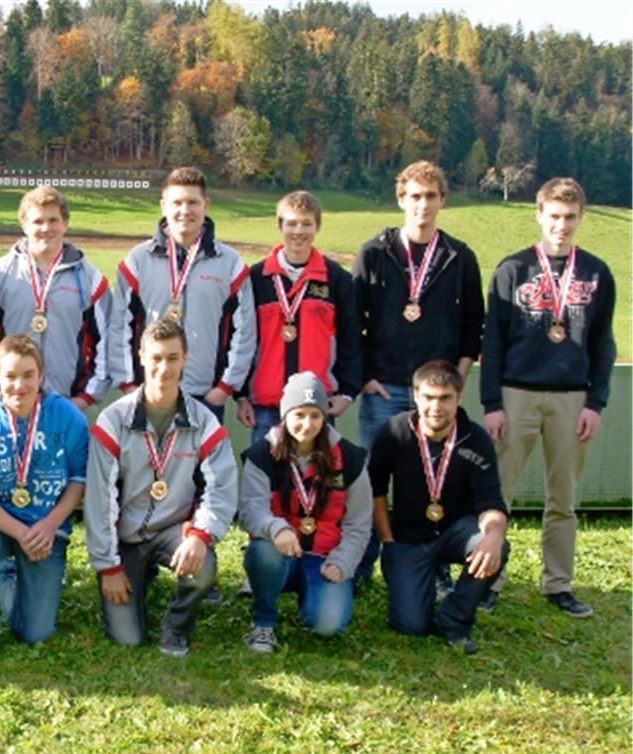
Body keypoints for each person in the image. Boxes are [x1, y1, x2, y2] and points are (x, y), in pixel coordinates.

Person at [480, 177, 616, 618]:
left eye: (570, 217)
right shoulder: (512, 270)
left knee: (564, 498)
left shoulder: (596, 274)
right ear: (539, 214)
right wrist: (492, 404)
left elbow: (602, 345)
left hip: (571, 399)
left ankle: (558, 583)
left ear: (581, 218)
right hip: (515, 393)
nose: (561, 225)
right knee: (499, 494)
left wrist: (596, 403)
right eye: (554, 216)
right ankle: (488, 579)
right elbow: (493, 343)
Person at [352, 160, 484, 589]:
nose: (422, 205)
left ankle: (439, 566)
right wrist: (365, 375)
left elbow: (472, 328)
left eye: (430, 196)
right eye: (414, 196)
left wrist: (457, 381)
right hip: (384, 387)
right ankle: (365, 562)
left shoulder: (460, 258)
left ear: (442, 201)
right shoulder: (374, 252)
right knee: (372, 480)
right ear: (400, 199)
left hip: (438, 395)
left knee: (438, 479)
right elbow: (352, 323)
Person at [85, 319, 238, 657]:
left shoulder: (204, 421)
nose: (163, 368)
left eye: (172, 358)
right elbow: (98, 502)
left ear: (185, 359)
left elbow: (221, 488)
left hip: (173, 530)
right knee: (127, 638)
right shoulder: (112, 421)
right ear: (140, 357)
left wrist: (200, 535)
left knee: (205, 566)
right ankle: (136, 572)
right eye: (155, 358)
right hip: (125, 538)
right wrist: (108, 567)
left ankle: (177, 626)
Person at [0, 334, 89, 661]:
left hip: (46, 530)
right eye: (10, 376)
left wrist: (51, 524)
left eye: (28, 375)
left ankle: (5, 575)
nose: (19, 385)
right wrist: (21, 533)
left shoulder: (68, 417)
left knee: (35, 633)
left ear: (41, 375)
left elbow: (79, 480)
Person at [370, 360, 509, 654]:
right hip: (407, 538)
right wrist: (388, 541)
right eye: (429, 397)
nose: (436, 407)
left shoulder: (476, 438)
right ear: (416, 396)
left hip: (455, 532)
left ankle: (454, 618)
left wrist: (495, 535)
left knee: (496, 544)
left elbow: (491, 503)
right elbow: (376, 492)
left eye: (446, 398)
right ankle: (419, 582)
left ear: (459, 398)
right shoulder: (393, 432)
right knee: (411, 625)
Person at [110, 166, 255, 422]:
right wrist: (128, 385)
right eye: (177, 202)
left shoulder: (231, 264)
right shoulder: (137, 261)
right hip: (149, 393)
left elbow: (245, 333)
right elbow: (119, 327)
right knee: (144, 463)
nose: (185, 211)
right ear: (163, 205)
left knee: (201, 464)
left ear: (206, 205)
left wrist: (223, 389)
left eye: (192, 202)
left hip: (205, 397)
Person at [240, 371, 372, 653]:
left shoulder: (351, 458)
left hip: (325, 558)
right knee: (263, 552)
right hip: (280, 553)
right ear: (285, 414)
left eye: (315, 415)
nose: (306, 424)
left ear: (325, 417)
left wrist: (344, 561)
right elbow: (251, 510)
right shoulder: (262, 455)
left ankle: (311, 595)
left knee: (327, 625)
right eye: (298, 414)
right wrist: (277, 528)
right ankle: (264, 623)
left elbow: (359, 523)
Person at [237, 191, 361, 445]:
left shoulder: (336, 279)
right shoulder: (256, 278)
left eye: (307, 223)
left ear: (317, 227)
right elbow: (241, 339)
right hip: (266, 406)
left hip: (317, 407)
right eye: (292, 223)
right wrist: (240, 396)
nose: (298, 231)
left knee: (315, 482)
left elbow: (351, 339)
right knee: (266, 482)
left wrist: (347, 392)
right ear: (280, 226)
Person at [0, 185, 111, 408]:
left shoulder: (91, 279)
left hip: (66, 403)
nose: (46, 228)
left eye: (53, 220)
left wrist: (86, 397)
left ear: (65, 223)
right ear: (24, 224)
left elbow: (107, 343)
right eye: (38, 221)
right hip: (9, 402)